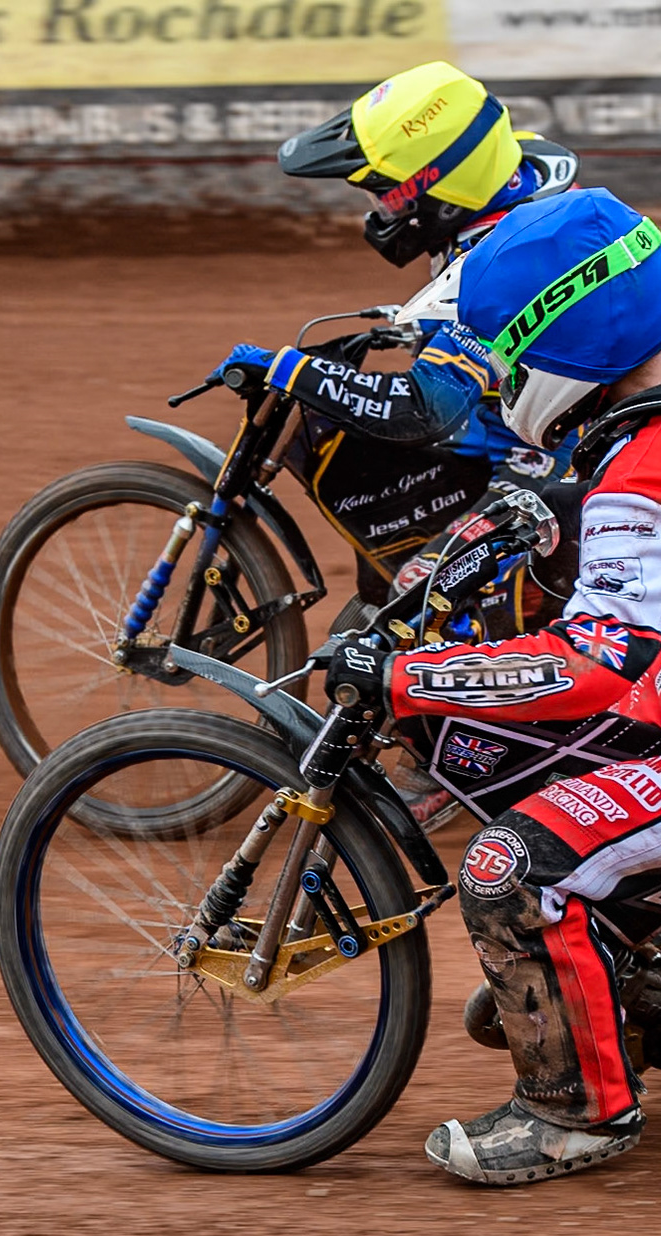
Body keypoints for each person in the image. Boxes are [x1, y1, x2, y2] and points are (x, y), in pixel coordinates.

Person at [303, 187, 661, 1184]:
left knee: (507, 866)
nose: (487, 372)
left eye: (496, 351)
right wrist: (556, 514)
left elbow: (586, 668)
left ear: (557, 344)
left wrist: (405, 675)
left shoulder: (645, 491)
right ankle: (616, 970)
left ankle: (578, 1114)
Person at [215, 61, 581, 826]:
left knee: (422, 577)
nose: (380, 208)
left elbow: (424, 412)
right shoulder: (519, 177)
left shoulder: (482, 256)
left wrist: (290, 368)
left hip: (551, 452)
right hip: (559, 399)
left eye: (389, 189)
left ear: (442, 186)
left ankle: (445, 754)